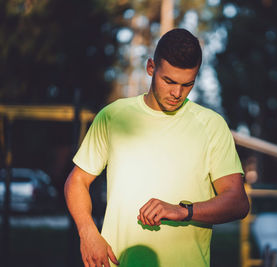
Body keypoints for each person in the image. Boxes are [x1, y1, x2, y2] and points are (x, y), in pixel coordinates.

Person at [64, 28, 249, 267]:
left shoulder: (212, 126)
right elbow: (77, 181)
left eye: (187, 85)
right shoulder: (113, 116)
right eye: (169, 81)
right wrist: (87, 232)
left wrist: (184, 211)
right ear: (151, 67)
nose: (177, 93)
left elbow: (237, 201)